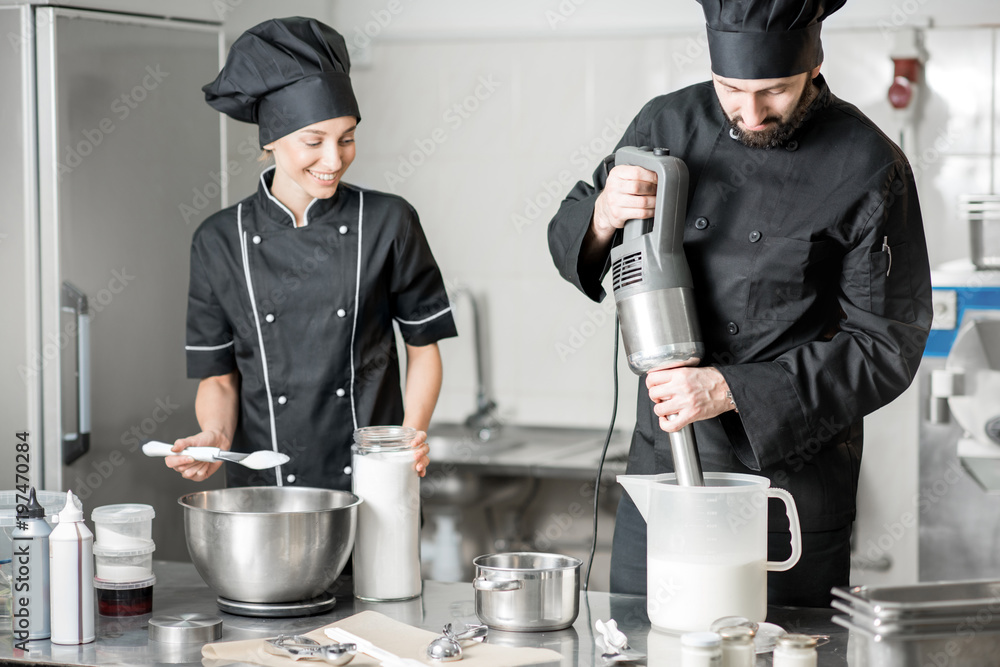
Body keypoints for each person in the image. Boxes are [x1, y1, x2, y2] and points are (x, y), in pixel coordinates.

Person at [548, 0, 932, 606]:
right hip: (665, 465)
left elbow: (887, 344)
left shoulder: (867, 164)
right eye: (730, 89)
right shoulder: (666, 123)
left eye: (775, 90)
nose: (750, 114)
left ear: (814, 63)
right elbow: (576, 238)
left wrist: (728, 389)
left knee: (779, 647)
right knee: (649, 640)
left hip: (789, 480)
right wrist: (601, 215)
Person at [165, 17, 457, 489]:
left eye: (346, 139)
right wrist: (214, 438)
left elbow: (423, 348)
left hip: (375, 483)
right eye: (313, 141)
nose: (333, 159)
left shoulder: (389, 221)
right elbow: (218, 378)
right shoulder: (219, 239)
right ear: (271, 140)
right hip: (265, 497)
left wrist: (409, 437)